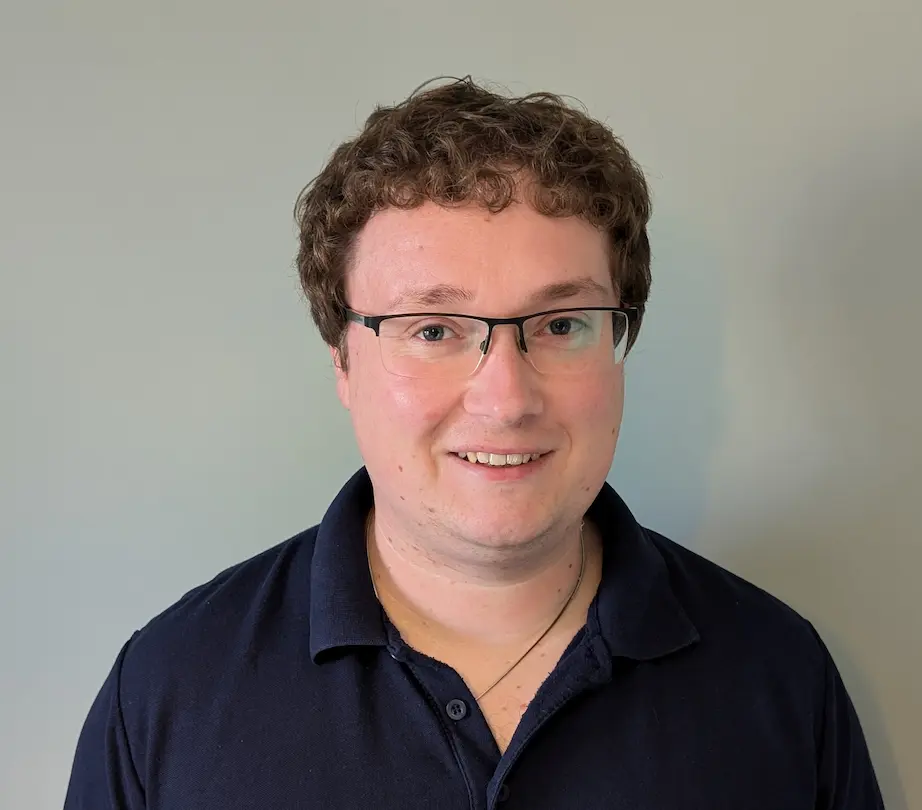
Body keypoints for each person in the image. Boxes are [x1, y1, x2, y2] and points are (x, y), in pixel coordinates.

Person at [64, 77, 885, 809]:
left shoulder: (779, 676)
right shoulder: (169, 692)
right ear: (343, 360)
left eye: (561, 325)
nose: (506, 399)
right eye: (433, 329)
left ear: (619, 345)